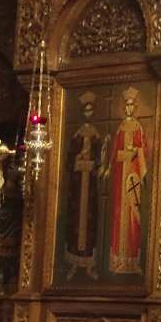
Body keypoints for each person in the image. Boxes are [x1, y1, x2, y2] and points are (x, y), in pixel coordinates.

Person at [105, 87, 147, 275]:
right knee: (119, 215)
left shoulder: (138, 128)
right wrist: (109, 166)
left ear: (135, 107)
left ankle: (131, 260)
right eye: (127, 106)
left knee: (132, 217)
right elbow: (115, 151)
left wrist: (135, 152)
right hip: (120, 178)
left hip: (132, 178)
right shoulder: (120, 128)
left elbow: (143, 150)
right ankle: (118, 261)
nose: (129, 108)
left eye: (132, 105)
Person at [65, 93, 103, 279]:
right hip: (78, 187)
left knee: (89, 223)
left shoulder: (96, 135)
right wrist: (78, 159)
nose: (88, 113)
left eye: (91, 110)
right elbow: (69, 160)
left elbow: (100, 159)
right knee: (76, 223)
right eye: (85, 110)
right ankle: (73, 264)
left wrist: (95, 164)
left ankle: (89, 265)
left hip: (90, 187)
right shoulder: (77, 135)